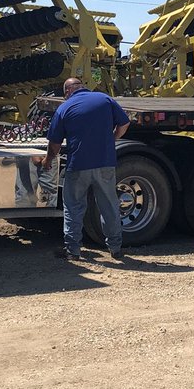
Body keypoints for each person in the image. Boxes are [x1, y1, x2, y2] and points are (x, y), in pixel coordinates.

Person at [35, 78, 129, 261]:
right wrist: (112, 139)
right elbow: (124, 124)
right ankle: (116, 248)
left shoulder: (64, 108)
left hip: (78, 165)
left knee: (73, 207)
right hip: (105, 164)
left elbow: (54, 144)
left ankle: (73, 251)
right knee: (109, 206)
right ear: (82, 87)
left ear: (68, 91)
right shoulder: (104, 99)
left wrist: (47, 161)